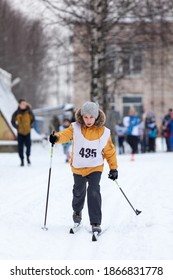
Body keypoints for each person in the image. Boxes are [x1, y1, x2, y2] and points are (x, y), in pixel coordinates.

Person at [49, 101, 118, 233]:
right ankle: (77, 211)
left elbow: (110, 151)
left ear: (97, 116)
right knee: (79, 192)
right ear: (82, 116)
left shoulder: (104, 132)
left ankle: (96, 222)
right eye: (85, 117)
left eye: (91, 117)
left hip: (95, 167)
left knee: (94, 191)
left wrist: (113, 168)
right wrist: (56, 138)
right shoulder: (75, 128)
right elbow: (65, 135)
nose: (88, 120)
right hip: (79, 167)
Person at [11, 99, 35, 166]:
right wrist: (16, 127)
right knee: (20, 147)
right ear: (19, 105)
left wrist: (30, 125)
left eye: (25, 103)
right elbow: (12, 121)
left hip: (28, 132)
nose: (24, 105)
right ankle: (22, 160)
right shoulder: (17, 112)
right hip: (20, 132)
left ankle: (28, 157)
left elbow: (33, 119)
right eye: (22, 104)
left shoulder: (29, 111)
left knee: (28, 146)